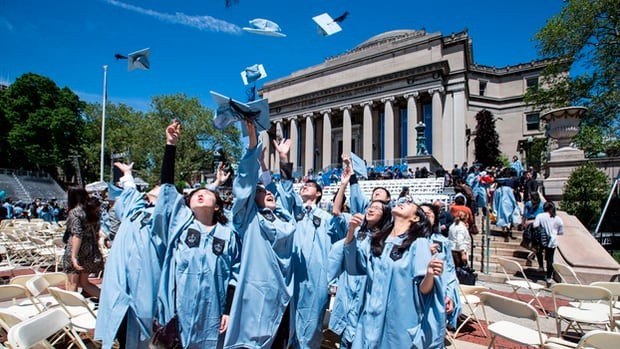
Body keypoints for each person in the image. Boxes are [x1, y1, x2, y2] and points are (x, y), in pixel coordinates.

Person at [155, 120, 241, 348]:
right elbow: (166, 189)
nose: (201, 194)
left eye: (207, 193)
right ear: (188, 203)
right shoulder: (180, 225)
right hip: (180, 309)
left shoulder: (228, 234)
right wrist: (170, 146)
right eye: (196, 193)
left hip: (214, 313)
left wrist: (228, 311)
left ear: (218, 206)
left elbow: (235, 273)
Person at [224, 120, 297, 348]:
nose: (268, 192)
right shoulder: (250, 219)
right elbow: (244, 184)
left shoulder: (285, 219)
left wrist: (282, 159)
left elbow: (284, 191)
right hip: (255, 294)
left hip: (282, 296)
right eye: (261, 191)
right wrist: (253, 145)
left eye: (268, 190)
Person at [342, 196, 445, 348]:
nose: (403, 203)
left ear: (416, 218)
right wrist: (351, 231)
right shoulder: (375, 241)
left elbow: (424, 289)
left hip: (397, 323)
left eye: (409, 204)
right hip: (369, 319)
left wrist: (429, 273)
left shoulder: (419, 244)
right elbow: (354, 266)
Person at [329, 164, 393, 348]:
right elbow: (337, 211)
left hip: (369, 295)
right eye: (370, 205)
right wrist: (345, 182)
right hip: (349, 291)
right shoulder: (357, 227)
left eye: (378, 204)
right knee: (346, 338)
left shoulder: (389, 237)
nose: (372, 207)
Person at [420, 203, 460, 332]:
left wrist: (450, 295)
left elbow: (450, 270)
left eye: (430, 212)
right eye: (422, 212)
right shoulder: (405, 241)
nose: (427, 213)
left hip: (438, 294)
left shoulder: (443, 241)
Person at [63, 186, 103, 297]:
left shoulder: (75, 212)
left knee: (73, 283)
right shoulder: (92, 211)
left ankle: (73, 310)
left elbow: (77, 234)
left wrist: (74, 256)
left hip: (76, 249)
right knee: (85, 283)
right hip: (90, 249)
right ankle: (109, 302)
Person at [533, 202, 564, 285]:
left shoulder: (540, 216)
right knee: (550, 259)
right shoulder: (558, 219)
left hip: (542, 239)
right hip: (552, 241)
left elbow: (535, 226)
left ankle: (541, 266)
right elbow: (561, 232)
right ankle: (549, 276)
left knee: (538, 251)